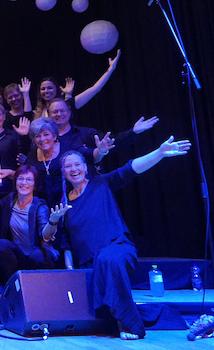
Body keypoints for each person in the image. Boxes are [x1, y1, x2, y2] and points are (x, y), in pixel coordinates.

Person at [48, 136, 191, 339]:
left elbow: (130, 169)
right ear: (63, 173)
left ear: (86, 168)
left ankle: (129, 325)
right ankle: (137, 314)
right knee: (100, 316)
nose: (73, 169)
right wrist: (70, 271)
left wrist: (159, 153)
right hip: (89, 265)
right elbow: (66, 243)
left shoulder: (101, 183)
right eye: (68, 166)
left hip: (117, 248)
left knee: (108, 258)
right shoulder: (64, 204)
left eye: (77, 164)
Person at [0, 165, 58, 284]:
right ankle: (15, 285)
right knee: (1, 244)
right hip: (19, 256)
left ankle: (36, 286)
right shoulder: (10, 200)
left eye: (29, 180)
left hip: (37, 254)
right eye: (20, 179)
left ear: (35, 185)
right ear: (15, 182)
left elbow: (45, 235)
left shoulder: (39, 206)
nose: (24, 183)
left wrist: (52, 222)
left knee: (37, 255)